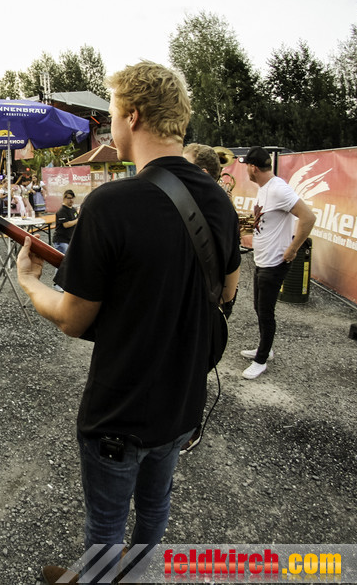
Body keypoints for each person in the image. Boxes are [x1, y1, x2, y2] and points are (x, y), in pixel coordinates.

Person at [16, 61, 240, 584]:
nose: (109, 126)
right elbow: (226, 293)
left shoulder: (111, 204)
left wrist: (29, 283)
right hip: (182, 402)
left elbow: (73, 319)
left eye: (112, 114)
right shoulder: (218, 199)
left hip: (120, 412)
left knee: (106, 527)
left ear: (133, 116)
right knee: (155, 510)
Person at [238, 146, 316, 380]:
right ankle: (265, 348)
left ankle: (261, 360)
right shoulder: (265, 188)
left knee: (265, 312)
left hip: (274, 263)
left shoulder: (278, 189)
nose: (246, 171)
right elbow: (263, 220)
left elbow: (308, 217)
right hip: (262, 260)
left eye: (247, 167)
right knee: (258, 307)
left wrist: (293, 248)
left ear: (253, 167)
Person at [52, 190, 78, 256]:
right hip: (61, 241)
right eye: (69, 198)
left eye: (72, 198)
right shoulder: (62, 211)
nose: (71, 200)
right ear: (64, 198)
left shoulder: (73, 209)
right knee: (63, 260)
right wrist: (78, 220)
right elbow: (66, 225)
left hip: (69, 240)